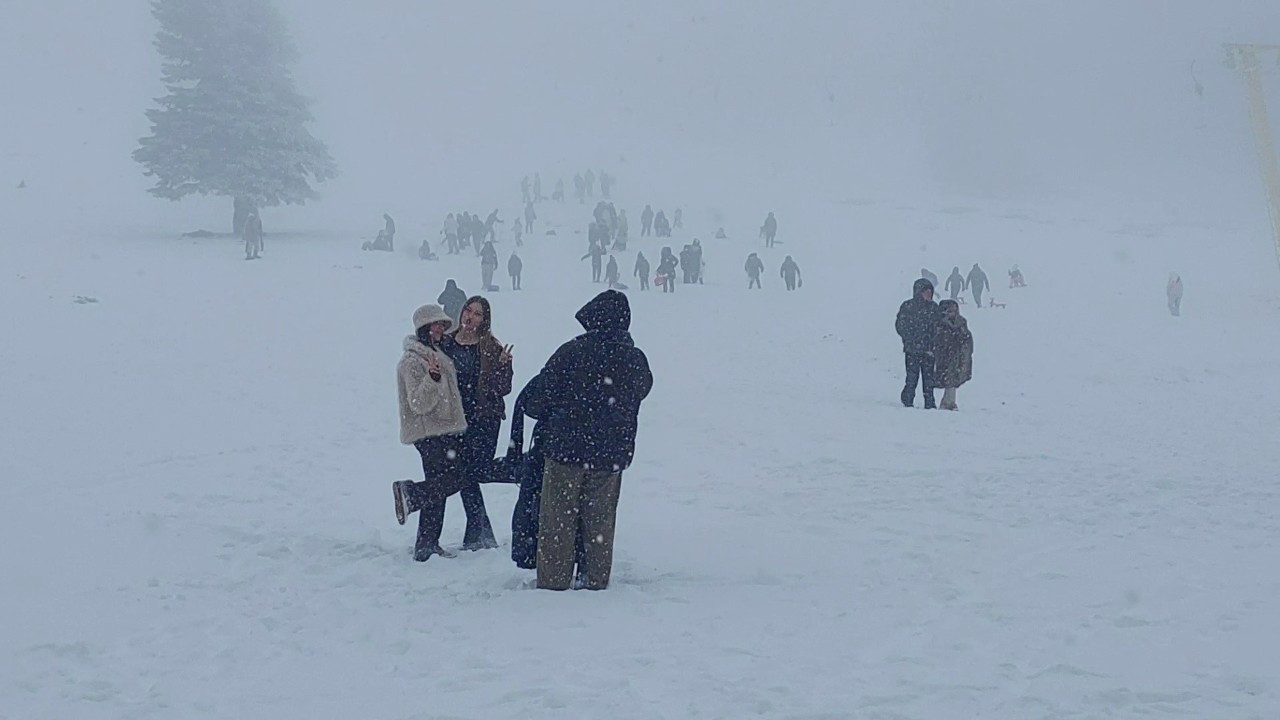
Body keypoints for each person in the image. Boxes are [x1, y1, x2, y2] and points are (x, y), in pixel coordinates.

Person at [524, 290, 653, 590]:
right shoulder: (634, 358)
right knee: (600, 521)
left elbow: (537, 398)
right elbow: (643, 388)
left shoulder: (571, 352)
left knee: (558, 518)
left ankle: (554, 581)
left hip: (565, 451)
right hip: (611, 455)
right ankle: (594, 579)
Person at [391, 304, 469, 561]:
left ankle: (427, 544)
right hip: (429, 433)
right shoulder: (411, 362)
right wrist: (432, 379)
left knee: (439, 487)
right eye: (436, 324)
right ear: (424, 327)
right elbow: (418, 403)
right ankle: (411, 495)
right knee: (453, 480)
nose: (440, 329)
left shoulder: (435, 353)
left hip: (444, 431)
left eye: (442, 325)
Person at [439, 297, 514, 551]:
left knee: (473, 471)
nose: (470, 317)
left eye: (477, 314)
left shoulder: (491, 347)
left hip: (483, 419)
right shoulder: (446, 343)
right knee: (464, 472)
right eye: (468, 310)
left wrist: (504, 368)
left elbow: (503, 389)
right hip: (454, 419)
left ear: (485, 320)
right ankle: (479, 533)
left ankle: (480, 532)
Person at [896, 278, 941, 409]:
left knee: (929, 379)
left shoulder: (934, 308)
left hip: (929, 350)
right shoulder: (908, 306)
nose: (929, 295)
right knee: (912, 377)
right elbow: (900, 325)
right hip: (912, 350)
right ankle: (908, 399)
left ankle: (929, 402)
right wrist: (911, 339)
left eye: (930, 292)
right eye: (926, 292)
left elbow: (938, 327)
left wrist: (933, 341)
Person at [934, 299, 973, 411]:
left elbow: (966, 339)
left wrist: (965, 351)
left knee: (953, 378)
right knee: (947, 378)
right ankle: (947, 401)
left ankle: (949, 401)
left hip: (957, 355)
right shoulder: (939, 323)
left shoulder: (961, 322)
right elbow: (937, 339)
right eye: (949, 310)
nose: (952, 312)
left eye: (954, 310)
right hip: (944, 355)